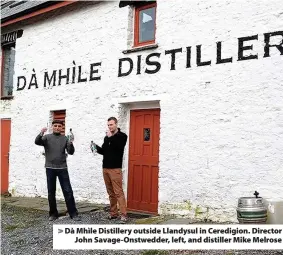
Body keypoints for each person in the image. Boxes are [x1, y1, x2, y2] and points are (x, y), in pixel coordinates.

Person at [35, 120, 81, 221]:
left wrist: (71, 143)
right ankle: (53, 214)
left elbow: (71, 152)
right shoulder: (47, 137)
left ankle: (73, 213)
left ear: (61, 128)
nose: (57, 127)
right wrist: (41, 132)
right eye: (55, 126)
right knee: (51, 192)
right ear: (52, 127)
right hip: (50, 168)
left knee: (68, 191)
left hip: (62, 168)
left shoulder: (65, 138)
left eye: (59, 126)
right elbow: (37, 142)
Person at [93, 117, 128, 223]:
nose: (109, 127)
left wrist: (110, 137)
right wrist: (95, 147)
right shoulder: (107, 137)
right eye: (108, 125)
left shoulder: (122, 136)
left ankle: (124, 214)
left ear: (116, 124)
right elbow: (104, 151)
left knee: (118, 192)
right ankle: (113, 213)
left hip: (115, 168)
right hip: (105, 168)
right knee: (110, 192)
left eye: (111, 124)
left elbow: (118, 147)